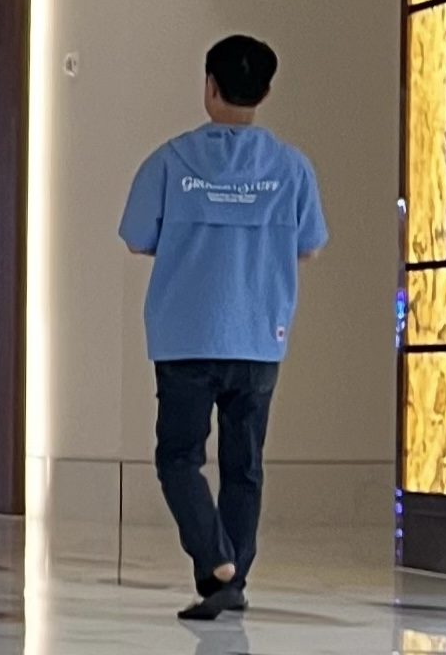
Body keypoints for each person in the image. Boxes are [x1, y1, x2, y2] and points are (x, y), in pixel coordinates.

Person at [119, 35, 329, 623]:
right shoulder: (291, 168)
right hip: (259, 334)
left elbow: (136, 237)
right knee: (245, 465)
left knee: (179, 457)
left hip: (185, 335)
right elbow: (311, 246)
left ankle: (216, 562)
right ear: (265, 92)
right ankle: (231, 578)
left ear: (209, 87)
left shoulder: (169, 161)